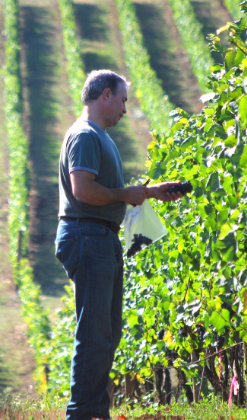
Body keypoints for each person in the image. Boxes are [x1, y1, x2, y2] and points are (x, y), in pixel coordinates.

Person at [55, 70, 184, 420]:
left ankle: (95, 410)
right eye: (124, 100)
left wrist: (148, 191)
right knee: (95, 334)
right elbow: (83, 190)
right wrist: (125, 194)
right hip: (88, 235)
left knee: (107, 332)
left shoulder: (98, 137)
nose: (126, 110)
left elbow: (108, 192)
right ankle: (81, 413)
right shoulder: (84, 135)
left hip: (100, 236)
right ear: (106, 95)